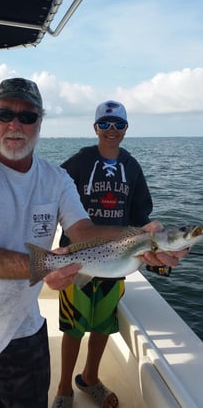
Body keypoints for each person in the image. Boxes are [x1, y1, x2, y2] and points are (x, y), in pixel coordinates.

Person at [0, 81, 185, 408]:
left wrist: (142, 239)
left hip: (23, 330)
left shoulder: (56, 178)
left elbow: (83, 230)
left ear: (40, 122)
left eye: (27, 117)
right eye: (5, 113)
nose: (15, 125)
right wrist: (49, 266)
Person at [52, 100, 157, 408]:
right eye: (106, 124)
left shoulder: (132, 166)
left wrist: (150, 236)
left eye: (119, 125)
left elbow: (140, 214)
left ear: (126, 129)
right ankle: (63, 388)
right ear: (95, 127)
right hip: (78, 256)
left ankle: (90, 378)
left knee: (103, 324)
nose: (112, 131)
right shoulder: (80, 161)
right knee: (73, 325)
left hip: (118, 261)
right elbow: (53, 193)